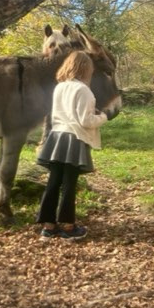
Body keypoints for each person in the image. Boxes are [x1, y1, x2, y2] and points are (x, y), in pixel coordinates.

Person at [36, 51, 109, 240]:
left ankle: (48, 226)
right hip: (73, 139)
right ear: (86, 69)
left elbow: (61, 113)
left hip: (57, 136)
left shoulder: (59, 87)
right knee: (69, 184)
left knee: (53, 182)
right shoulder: (83, 90)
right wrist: (103, 117)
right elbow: (85, 121)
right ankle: (68, 227)